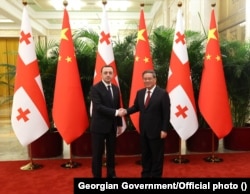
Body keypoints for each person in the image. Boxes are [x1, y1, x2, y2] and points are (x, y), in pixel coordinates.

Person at [120, 69, 171, 178]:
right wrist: (125, 111)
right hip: (143, 131)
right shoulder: (140, 93)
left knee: (157, 157)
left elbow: (166, 113)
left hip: (157, 132)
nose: (147, 80)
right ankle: (145, 175)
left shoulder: (162, 94)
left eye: (149, 78)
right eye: (145, 79)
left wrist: (164, 129)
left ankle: (156, 177)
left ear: (154, 79)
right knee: (145, 155)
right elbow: (136, 107)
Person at [90, 65, 123, 178]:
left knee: (111, 153)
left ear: (113, 74)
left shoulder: (115, 88)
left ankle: (111, 174)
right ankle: (97, 176)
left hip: (112, 127)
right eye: (106, 73)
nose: (108, 75)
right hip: (98, 127)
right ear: (101, 74)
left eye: (110, 72)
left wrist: (119, 124)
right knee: (97, 154)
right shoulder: (95, 88)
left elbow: (118, 106)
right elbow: (98, 107)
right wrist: (116, 113)